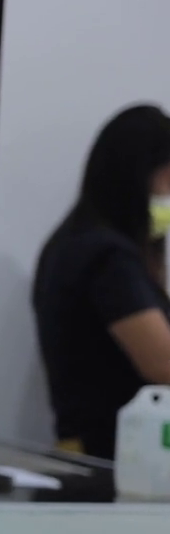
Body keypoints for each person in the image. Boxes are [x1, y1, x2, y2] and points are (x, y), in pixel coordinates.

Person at [33, 104, 170, 459]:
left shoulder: (72, 242)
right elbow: (163, 363)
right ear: (137, 176)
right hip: (110, 460)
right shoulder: (107, 257)